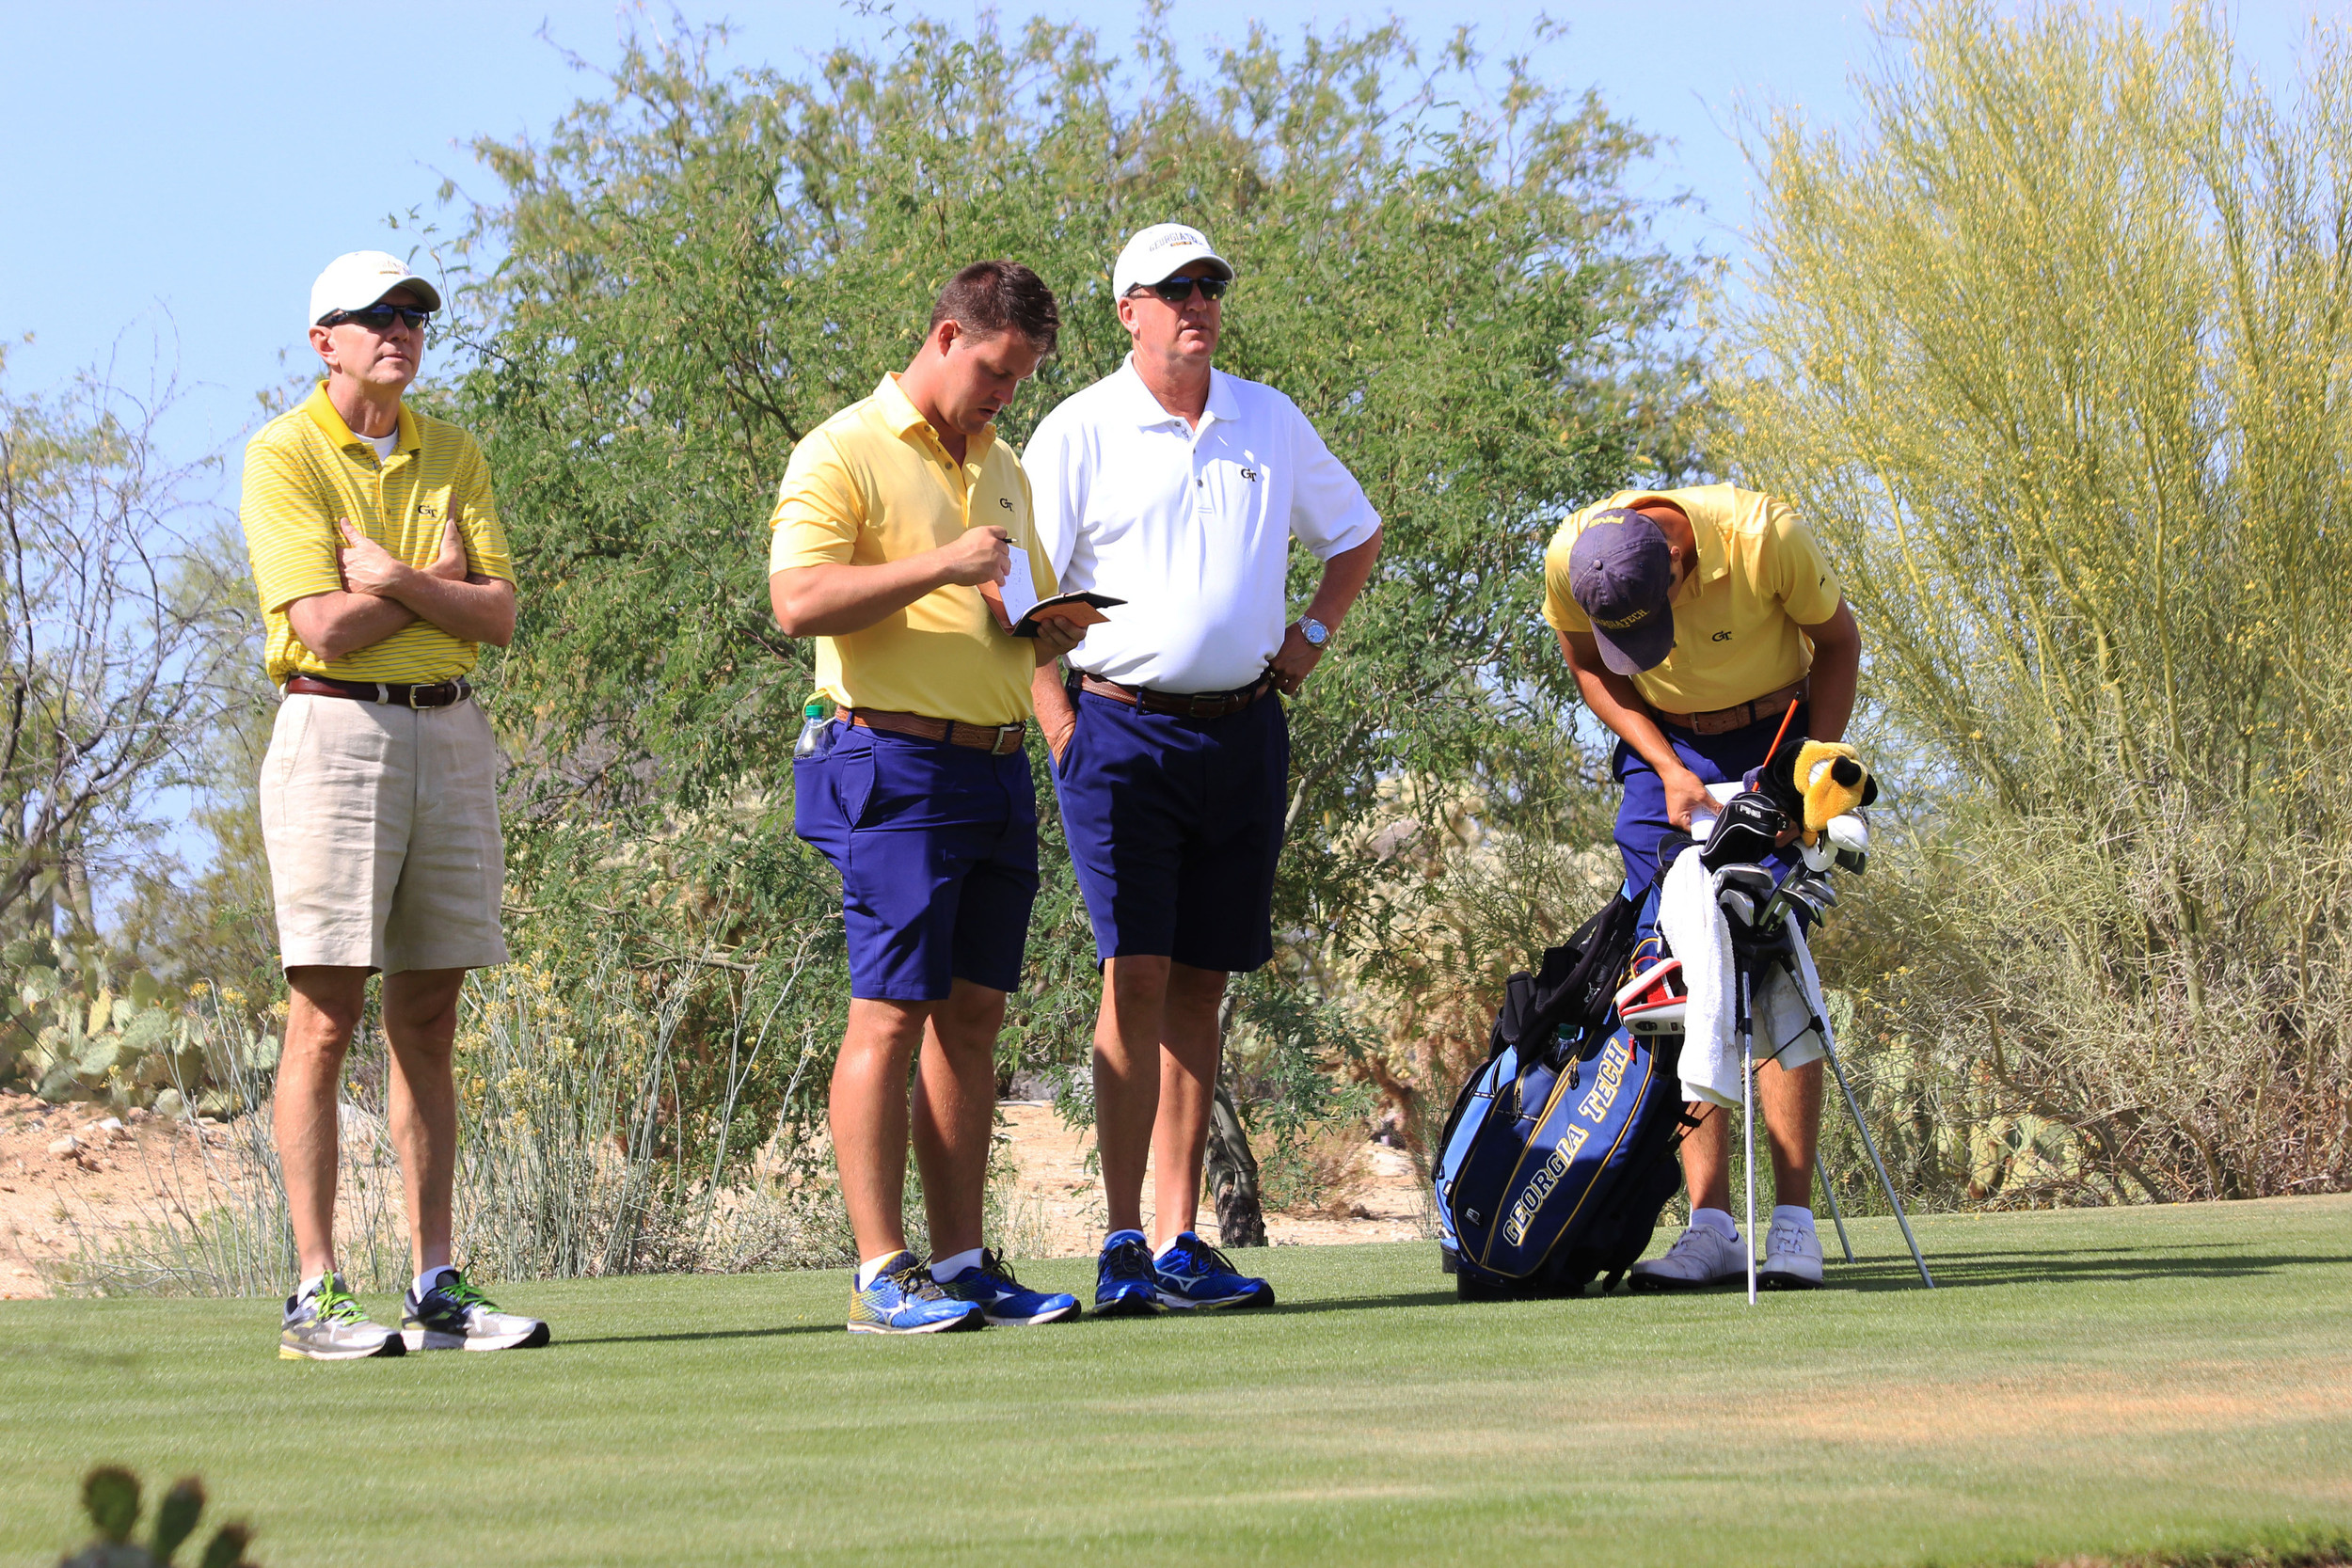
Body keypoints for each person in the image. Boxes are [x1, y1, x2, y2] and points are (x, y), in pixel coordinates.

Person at [1025, 224, 1383, 1316]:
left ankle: (1180, 1239)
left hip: (1242, 730)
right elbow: (1020, 592)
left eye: (1210, 285)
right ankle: (1122, 1238)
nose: (1197, 301)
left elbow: (1354, 536)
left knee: (1202, 987)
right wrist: (1056, 720)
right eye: (1173, 287)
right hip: (1119, 731)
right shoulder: (1078, 427)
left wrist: (1309, 641)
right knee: (1133, 973)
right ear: (1126, 309)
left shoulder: (1264, 417)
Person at [769, 261, 1089, 1334]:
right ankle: (878, 1271)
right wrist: (944, 565)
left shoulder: (1003, 465)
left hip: (996, 764)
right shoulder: (842, 447)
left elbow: (1012, 597)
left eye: (1026, 376)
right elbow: (798, 600)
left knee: (975, 1020)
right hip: (889, 762)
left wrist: (1049, 628)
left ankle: (960, 1261)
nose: (1008, 394)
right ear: (947, 336)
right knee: (891, 1010)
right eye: (998, 370)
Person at [242, 250, 546, 1358]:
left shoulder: (452, 449)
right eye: (375, 317)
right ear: (323, 340)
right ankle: (314, 1291)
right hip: (333, 727)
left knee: (428, 1017)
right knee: (325, 1013)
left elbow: (498, 613)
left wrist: (398, 581)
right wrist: (435, 588)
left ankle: (434, 1284)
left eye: (415, 315)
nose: (400, 332)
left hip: (452, 726)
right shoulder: (284, 453)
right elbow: (318, 627)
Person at [1543, 485, 1863, 1291]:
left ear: (1680, 564)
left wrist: (1805, 777)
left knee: (1768, 953)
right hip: (1669, 746)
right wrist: (1666, 766)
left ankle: (1793, 1225)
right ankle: (1712, 1226)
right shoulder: (1571, 554)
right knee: (1677, 965)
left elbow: (1839, 642)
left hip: (1776, 732)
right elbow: (1588, 663)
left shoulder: (1766, 537)